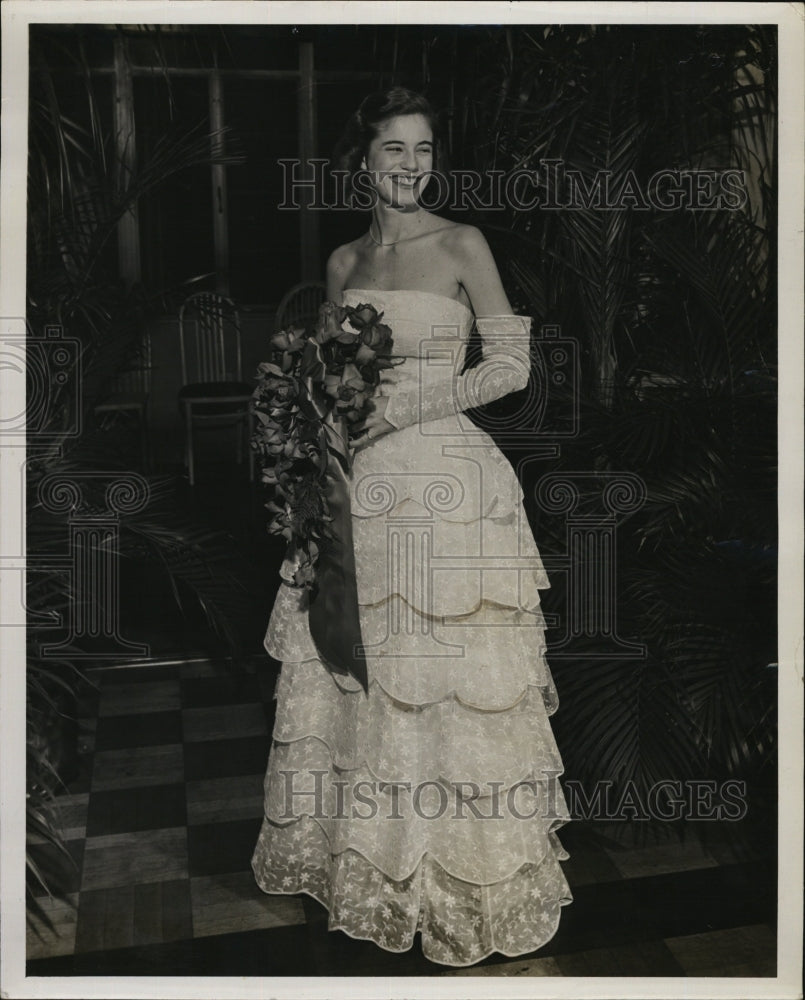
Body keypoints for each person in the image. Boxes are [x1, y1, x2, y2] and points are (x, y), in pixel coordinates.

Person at [252, 87, 573, 968]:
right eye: (393, 151)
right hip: (357, 488)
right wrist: (315, 439)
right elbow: (328, 379)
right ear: (361, 161)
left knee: (454, 687)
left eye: (423, 151)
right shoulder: (343, 259)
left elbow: (510, 364)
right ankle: (377, 871)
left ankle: (466, 878)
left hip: (449, 483)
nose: (409, 167)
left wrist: (406, 411)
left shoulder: (462, 242)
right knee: (372, 681)